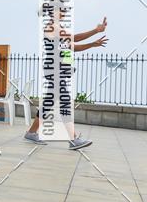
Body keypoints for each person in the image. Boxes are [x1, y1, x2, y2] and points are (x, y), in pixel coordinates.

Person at [24, 15, 108, 149]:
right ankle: (73, 139)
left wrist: (92, 44)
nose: (63, 12)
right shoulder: (52, 27)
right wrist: (96, 30)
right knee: (65, 101)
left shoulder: (60, 29)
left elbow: (73, 47)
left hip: (59, 70)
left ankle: (32, 132)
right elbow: (75, 38)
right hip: (54, 70)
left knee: (48, 103)